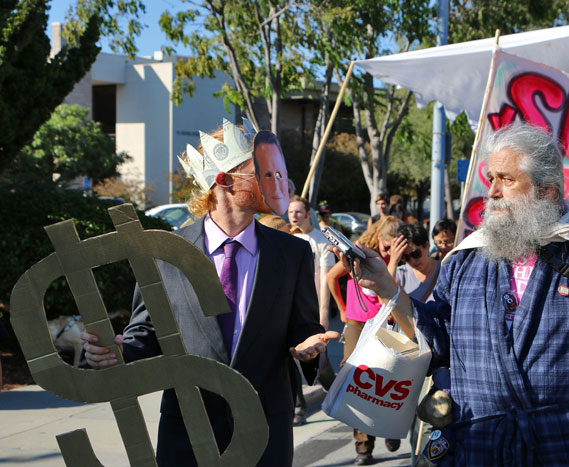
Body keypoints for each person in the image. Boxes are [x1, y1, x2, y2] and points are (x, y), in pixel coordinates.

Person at [331, 122, 569, 466]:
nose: (491, 192)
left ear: (546, 190)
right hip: (480, 447)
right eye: (490, 178)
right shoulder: (467, 260)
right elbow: (437, 339)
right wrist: (388, 288)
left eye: (506, 179)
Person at [82, 122, 338, 467]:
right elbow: (148, 333)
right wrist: (119, 352)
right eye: (261, 172)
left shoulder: (292, 253)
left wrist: (309, 348)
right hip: (188, 431)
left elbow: (303, 326)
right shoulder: (164, 252)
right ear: (224, 180)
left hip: (265, 431)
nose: (276, 182)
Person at [326, 215, 403, 465]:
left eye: (395, 247)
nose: (389, 251)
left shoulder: (401, 259)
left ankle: (389, 429)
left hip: (385, 325)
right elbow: (331, 276)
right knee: (354, 381)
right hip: (358, 324)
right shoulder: (360, 250)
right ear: (380, 236)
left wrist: (395, 260)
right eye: (387, 246)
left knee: (386, 383)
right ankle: (363, 447)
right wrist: (341, 309)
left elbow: (390, 292)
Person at [287, 195, 336, 426]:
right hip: (289, 308)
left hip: (313, 307)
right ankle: (298, 406)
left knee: (321, 359)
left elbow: (326, 279)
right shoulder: (284, 239)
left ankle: (331, 384)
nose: (294, 216)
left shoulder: (319, 241)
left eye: (298, 211)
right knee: (291, 356)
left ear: (308, 214)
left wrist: (323, 313)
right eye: (290, 212)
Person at [391, 223, 440, 303]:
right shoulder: (400, 274)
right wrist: (393, 261)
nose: (412, 261)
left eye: (416, 254)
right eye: (407, 257)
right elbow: (385, 298)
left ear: (427, 245)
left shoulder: (445, 271)